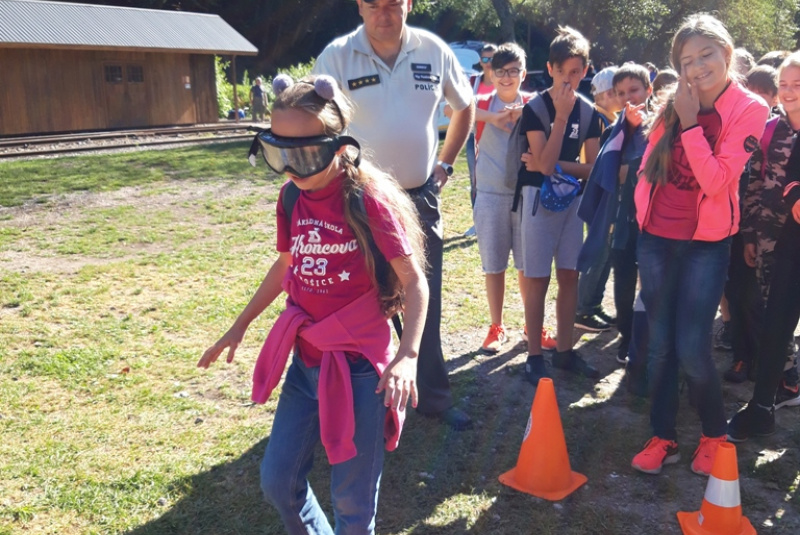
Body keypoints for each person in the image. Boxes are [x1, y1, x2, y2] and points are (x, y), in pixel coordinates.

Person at [198, 74, 429, 534]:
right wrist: (240, 324)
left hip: (363, 370)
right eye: (277, 153)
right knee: (278, 482)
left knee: (352, 504)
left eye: (303, 155)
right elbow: (285, 267)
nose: (290, 169)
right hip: (305, 363)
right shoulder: (290, 198)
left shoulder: (367, 201)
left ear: (339, 148)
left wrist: (407, 357)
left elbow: (415, 282)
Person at [313, 0, 476, 430]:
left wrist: (446, 162)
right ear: (359, 6)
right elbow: (318, 125)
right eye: (373, 3)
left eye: (392, 3)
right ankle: (367, 399)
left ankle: (434, 398)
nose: (383, 12)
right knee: (363, 299)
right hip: (358, 199)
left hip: (419, 197)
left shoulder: (433, 49)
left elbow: (465, 105)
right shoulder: (336, 57)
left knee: (426, 297)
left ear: (408, 4)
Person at [630, 14, 769, 477]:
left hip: (704, 245)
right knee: (660, 345)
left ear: (727, 54)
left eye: (705, 54)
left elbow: (714, 181)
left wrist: (690, 123)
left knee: (692, 347)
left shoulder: (750, 109)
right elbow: (649, 162)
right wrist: (641, 211)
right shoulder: (674, 100)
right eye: (686, 60)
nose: (696, 67)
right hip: (656, 238)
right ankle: (663, 435)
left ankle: (713, 433)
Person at [517, 26, 604, 386]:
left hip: (573, 202)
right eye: (562, 71)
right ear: (549, 68)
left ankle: (565, 351)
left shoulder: (591, 114)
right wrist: (561, 121)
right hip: (537, 200)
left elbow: (593, 168)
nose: (569, 79)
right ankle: (535, 354)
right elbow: (545, 156)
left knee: (570, 274)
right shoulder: (535, 109)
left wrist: (548, 164)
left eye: (577, 72)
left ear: (585, 71)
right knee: (537, 278)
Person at [726, 56, 800, 440]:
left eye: (798, 85)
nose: (789, 93)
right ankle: (765, 402)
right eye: (784, 84)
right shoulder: (770, 131)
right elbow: (753, 185)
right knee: (775, 321)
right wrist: (751, 235)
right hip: (778, 242)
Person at [470, 43, 532, 354]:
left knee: (528, 266)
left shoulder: (535, 103)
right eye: (500, 71)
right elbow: (451, 109)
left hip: (526, 197)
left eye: (513, 71)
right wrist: (492, 118)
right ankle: (496, 326)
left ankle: (531, 324)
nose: (506, 77)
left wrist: (525, 112)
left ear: (523, 73)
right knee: (493, 266)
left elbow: (559, 108)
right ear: (491, 74)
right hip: (490, 195)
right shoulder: (483, 101)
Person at [722, 64, 779, 383]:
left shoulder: (777, 134)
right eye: (750, 94)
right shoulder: (736, 128)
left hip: (765, 231)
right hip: (734, 228)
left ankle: (767, 362)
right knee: (737, 292)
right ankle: (741, 357)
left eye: (763, 95)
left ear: (773, 98)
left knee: (759, 300)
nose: (756, 101)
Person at [574, 65, 621, 333]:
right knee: (598, 251)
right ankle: (584, 308)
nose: (620, 97)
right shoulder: (599, 120)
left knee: (606, 253)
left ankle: (593, 303)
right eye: (615, 92)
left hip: (609, 196)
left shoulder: (612, 119)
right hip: (599, 195)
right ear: (602, 94)